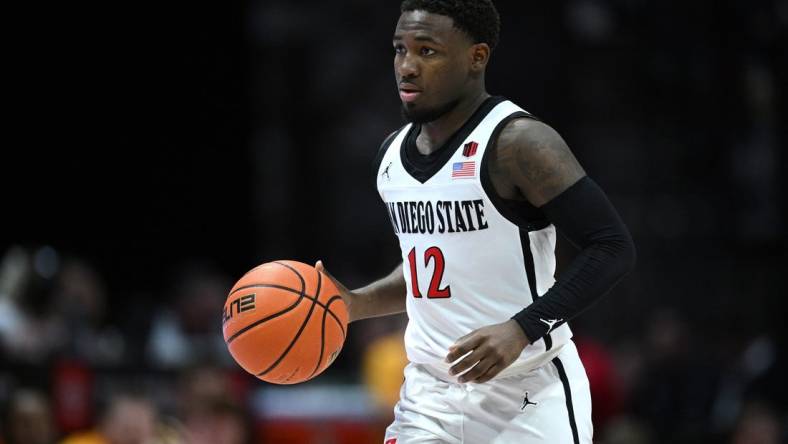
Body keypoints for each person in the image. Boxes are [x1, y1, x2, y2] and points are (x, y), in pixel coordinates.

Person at [317, 0, 636, 442]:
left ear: (476, 57)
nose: (407, 66)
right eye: (399, 49)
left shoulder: (519, 143)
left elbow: (612, 247)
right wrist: (355, 303)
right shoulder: (390, 157)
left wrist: (521, 329)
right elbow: (431, 269)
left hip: (526, 395)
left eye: (426, 51)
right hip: (428, 396)